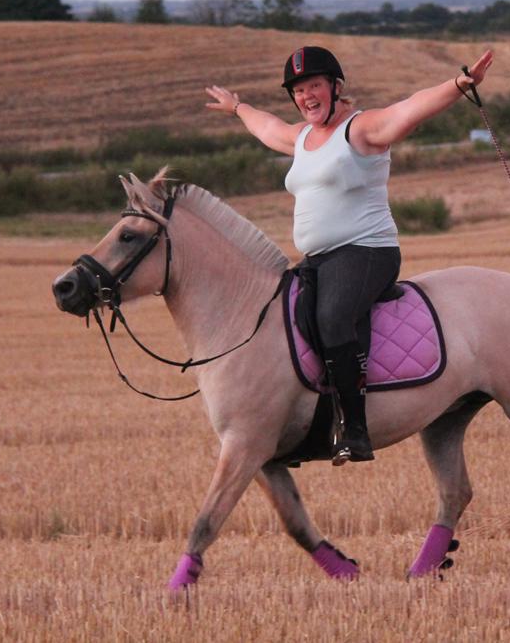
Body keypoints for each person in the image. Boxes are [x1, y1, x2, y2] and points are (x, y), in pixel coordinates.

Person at [205, 45, 493, 465]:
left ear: (335, 88)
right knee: (285, 318)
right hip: (318, 260)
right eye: (299, 91)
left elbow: (408, 110)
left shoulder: (359, 130)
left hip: (367, 252)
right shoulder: (302, 138)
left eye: (315, 86)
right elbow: (267, 128)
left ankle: (354, 428)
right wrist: (237, 107)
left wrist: (458, 85)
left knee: (333, 317)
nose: (306, 96)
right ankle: (297, 423)